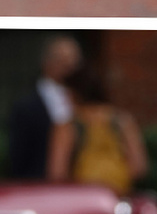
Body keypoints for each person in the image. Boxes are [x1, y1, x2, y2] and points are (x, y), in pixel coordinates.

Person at [47, 67, 148, 197]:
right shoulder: (123, 121)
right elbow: (139, 168)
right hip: (119, 197)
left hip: (83, 200)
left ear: (74, 93)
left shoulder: (67, 127)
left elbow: (57, 174)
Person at [8, 36, 83, 179]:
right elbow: (18, 160)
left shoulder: (87, 102)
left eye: (74, 61)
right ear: (46, 63)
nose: (70, 67)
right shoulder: (25, 107)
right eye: (63, 61)